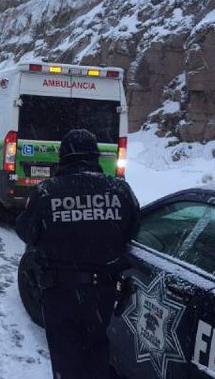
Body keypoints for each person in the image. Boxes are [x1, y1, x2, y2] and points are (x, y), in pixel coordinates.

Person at [16, 129, 140, 379]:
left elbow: (26, 232)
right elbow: (133, 230)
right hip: (103, 295)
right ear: (95, 156)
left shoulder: (47, 191)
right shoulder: (120, 190)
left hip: (59, 293)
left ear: (63, 156)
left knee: (66, 359)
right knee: (97, 356)